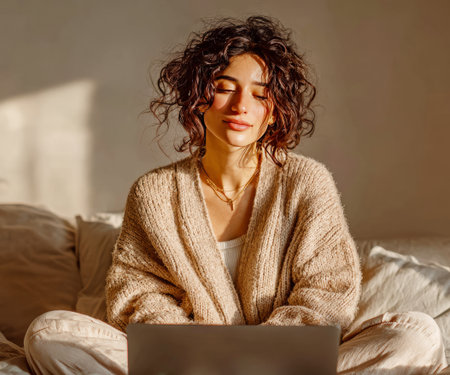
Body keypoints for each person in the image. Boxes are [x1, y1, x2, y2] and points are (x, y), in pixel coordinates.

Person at [24, 15, 447, 375]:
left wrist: (260, 356)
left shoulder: (306, 182)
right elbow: (138, 293)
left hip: (287, 364)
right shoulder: (154, 191)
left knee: (416, 334)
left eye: (261, 93)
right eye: (225, 86)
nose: (241, 105)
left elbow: (328, 291)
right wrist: (202, 352)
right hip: (189, 364)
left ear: (275, 111)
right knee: (49, 334)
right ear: (199, 97)